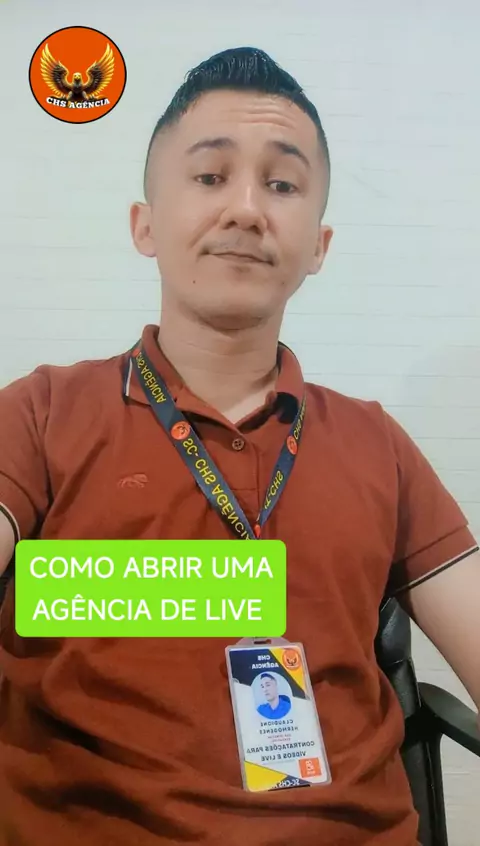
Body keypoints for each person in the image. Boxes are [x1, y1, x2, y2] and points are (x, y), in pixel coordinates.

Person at [0, 45, 478, 846]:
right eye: (210, 176)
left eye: (282, 185)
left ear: (318, 245)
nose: (248, 209)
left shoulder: (378, 443)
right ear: (145, 226)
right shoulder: (41, 413)